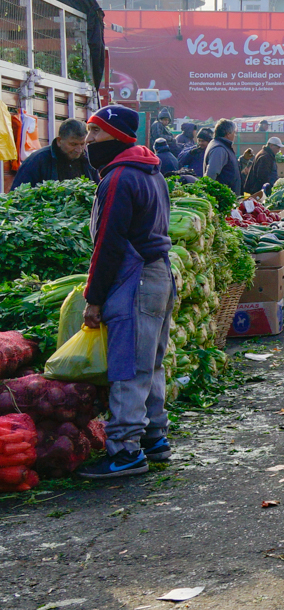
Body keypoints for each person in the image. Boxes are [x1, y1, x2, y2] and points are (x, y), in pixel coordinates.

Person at [74, 105, 173, 479]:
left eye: (95, 133)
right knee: (150, 362)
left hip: (134, 279)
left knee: (128, 365)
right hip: (159, 275)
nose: (89, 141)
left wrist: (94, 298)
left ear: (115, 136)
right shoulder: (152, 173)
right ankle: (154, 438)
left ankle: (126, 451)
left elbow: (109, 244)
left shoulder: (119, 179)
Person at [12, 118, 98, 189]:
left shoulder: (88, 161)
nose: (79, 150)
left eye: (82, 144)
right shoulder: (36, 161)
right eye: (73, 144)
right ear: (59, 141)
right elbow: (18, 195)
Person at [203, 119, 242, 195]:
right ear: (228, 134)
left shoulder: (220, 145)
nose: (235, 135)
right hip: (222, 198)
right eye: (234, 132)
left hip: (226, 196)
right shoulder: (219, 149)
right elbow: (211, 173)